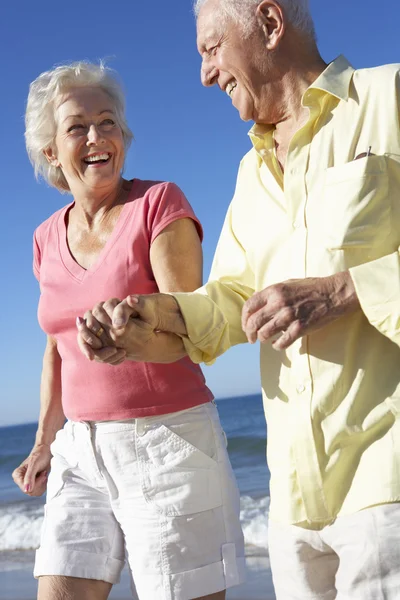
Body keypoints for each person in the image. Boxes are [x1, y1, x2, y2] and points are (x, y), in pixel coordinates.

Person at [81, 1, 400, 598]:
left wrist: (346, 290)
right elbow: (228, 303)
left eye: (210, 48)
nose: (204, 73)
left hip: (388, 490)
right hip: (293, 513)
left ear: (271, 24)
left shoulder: (391, 99)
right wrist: (145, 318)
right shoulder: (250, 175)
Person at [12, 61, 245, 600]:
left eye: (108, 121)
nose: (97, 137)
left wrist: (131, 340)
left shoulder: (158, 204)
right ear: (52, 151)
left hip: (168, 441)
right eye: (77, 126)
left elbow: (194, 328)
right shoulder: (45, 237)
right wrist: (45, 441)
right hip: (80, 448)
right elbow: (57, 346)